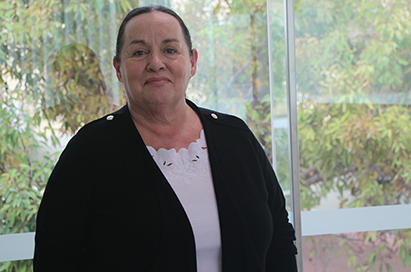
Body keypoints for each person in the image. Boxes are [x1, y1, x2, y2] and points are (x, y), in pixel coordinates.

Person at [33, 5, 297, 272]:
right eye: (139, 52)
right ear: (118, 68)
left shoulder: (237, 138)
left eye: (170, 50)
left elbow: (280, 240)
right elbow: (53, 258)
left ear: (192, 62)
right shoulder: (89, 151)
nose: (156, 63)